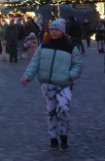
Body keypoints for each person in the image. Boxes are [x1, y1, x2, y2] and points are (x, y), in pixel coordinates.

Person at [21, 19, 83, 150]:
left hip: (64, 84)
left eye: (57, 30)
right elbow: (35, 63)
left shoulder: (70, 47)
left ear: (62, 31)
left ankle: (64, 135)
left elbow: (78, 65)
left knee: (64, 109)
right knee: (51, 111)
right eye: (52, 30)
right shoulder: (44, 46)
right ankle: (53, 137)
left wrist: (70, 75)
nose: (54, 32)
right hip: (47, 84)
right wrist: (28, 76)